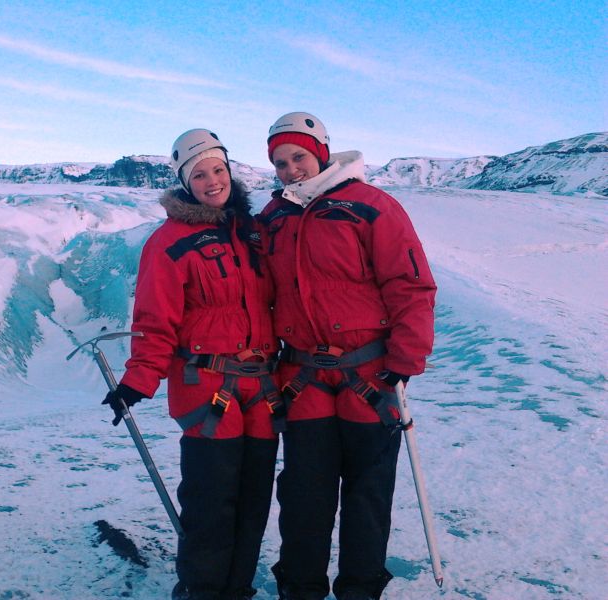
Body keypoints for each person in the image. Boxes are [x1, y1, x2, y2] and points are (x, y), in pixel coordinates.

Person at [257, 112, 437, 600]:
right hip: (303, 376)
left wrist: (406, 358)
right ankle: (300, 589)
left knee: (367, 495)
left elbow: (410, 284)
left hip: (371, 375)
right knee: (304, 495)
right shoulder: (273, 217)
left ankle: (360, 590)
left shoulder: (372, 206)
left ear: (321, 152)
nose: (290, 169)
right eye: (279, 163)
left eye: (298, 157)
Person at [103, 129, 283, 600]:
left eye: (218, 170)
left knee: (253, 502)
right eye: (199, 175)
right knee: (210, 502)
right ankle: (202, 590)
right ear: (185, 182)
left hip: (263, 387)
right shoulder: (168, 242)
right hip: (207, 386)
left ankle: (237, 589)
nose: (212, 181)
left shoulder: (251, 233)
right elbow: (154, 320)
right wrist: (137, 381)